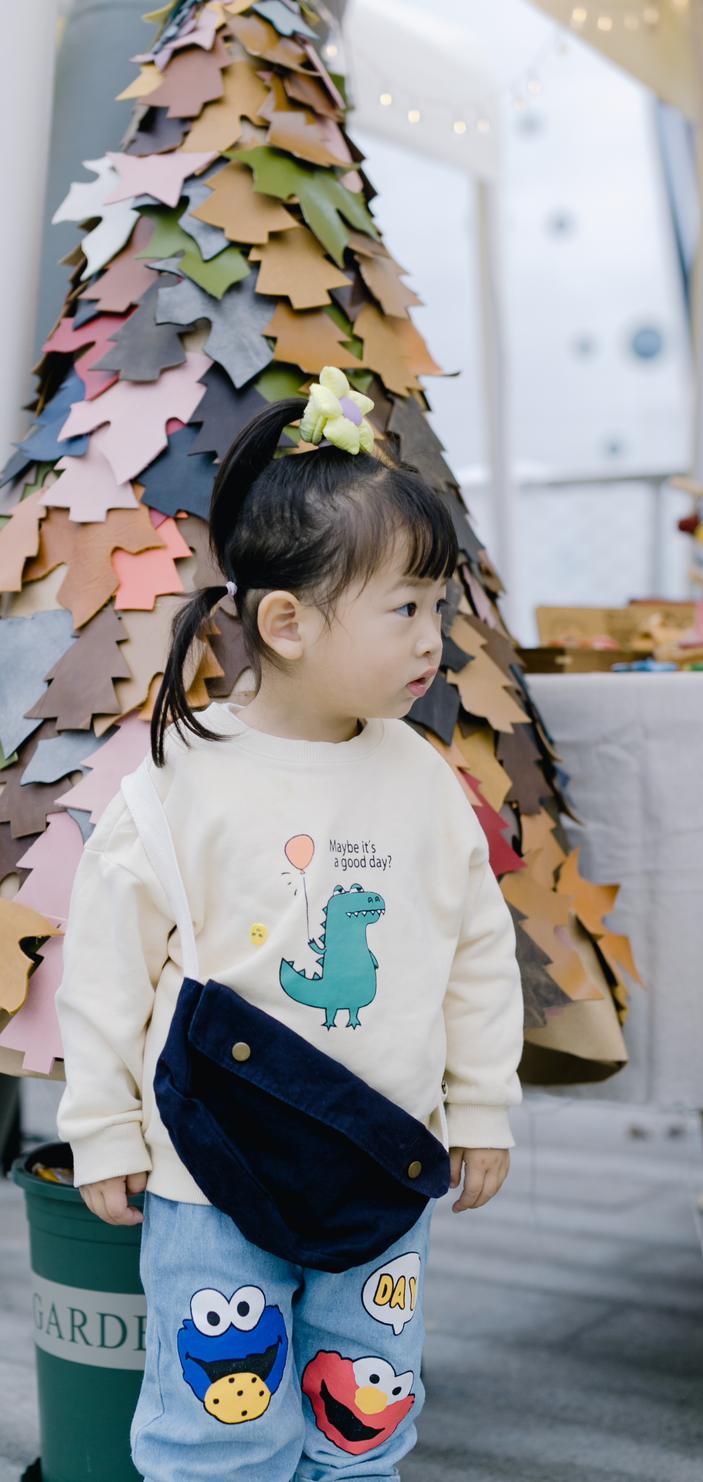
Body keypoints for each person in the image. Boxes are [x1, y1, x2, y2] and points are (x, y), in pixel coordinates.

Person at [55, 367, 525, 1480]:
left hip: (380, 1161)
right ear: (286, 622)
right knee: (220, 1423)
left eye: (439, 609)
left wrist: (482, 1106)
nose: (434, 639)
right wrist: (103, 1129)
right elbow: (108, 970)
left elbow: (475, 950)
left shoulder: (421, 778)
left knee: (364, 1412)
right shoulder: (181, 784)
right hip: (213, 1171)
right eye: (405, 609)